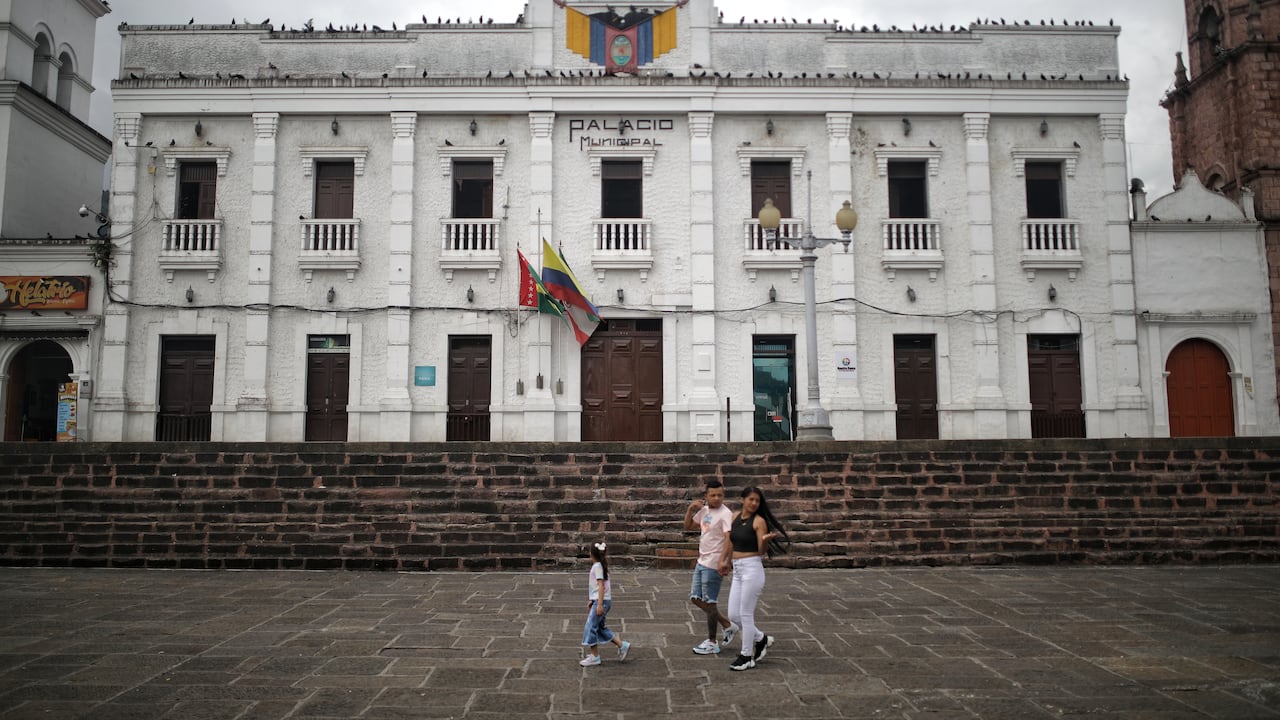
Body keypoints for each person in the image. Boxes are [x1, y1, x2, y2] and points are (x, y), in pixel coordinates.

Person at [719, 486, 788, 671]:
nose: (754, 503)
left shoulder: (759, 521)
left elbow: (761, 551)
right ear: (742, 500)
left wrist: (765, 540)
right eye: (751, 499)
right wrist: (725, 560)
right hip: (738, 569)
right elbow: (730, 541)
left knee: (746, 614)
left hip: (752, 569)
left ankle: (746, 656)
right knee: (733, 615)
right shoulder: (734, 517)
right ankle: (761, 638)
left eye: (757, 500)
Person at [683, 480, 739, 655]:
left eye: (720, 495)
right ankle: (727, 625)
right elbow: (689, 526)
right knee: (695, 597)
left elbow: (729, 538)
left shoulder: (725, 514)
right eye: (713, 495)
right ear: (706, 496)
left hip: (714, 563)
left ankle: (712, 641)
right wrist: (690, 510)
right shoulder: (705, 511)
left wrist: (724, 560)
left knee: (710, 602)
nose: (716, 498)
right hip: (702, 561)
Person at [580, 541, 630, 666]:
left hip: (602, 601)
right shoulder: (600, 565)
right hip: (601, 600)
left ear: (591, 553)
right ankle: (622, 645)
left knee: (590, 627)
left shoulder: (598, 566)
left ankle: (595, 656)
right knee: (599, 628)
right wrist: (592, 600)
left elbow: (601, 586)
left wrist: (599, 604)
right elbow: (597, 587)